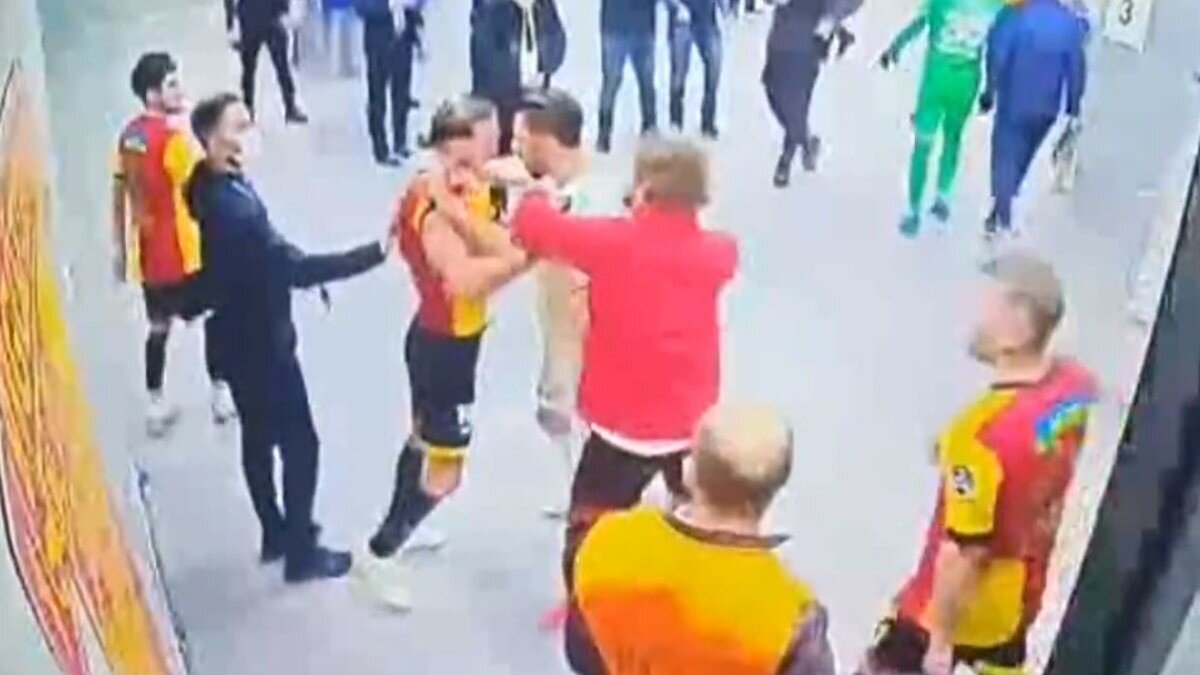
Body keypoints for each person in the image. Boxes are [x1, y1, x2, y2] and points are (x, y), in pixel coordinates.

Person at [506, 137, 739, 672]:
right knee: (703, 523)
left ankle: (587, 614)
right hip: (689, 424)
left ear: (646, 188)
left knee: (587, 528)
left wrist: (539, 190)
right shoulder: (718, 253)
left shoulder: (613, 242)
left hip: (622, 427)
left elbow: (533, 227)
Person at [856, 253, 1096, 675]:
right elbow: (1035, 436)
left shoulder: (978, 439)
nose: (974, 318)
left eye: (987, 306)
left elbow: (966, 551)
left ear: (1018, 329)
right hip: (1012, 601)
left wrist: (940, 642)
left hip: (950, 615)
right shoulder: (1072, 389)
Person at [184, 92, 389, 583]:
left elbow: (269, 251)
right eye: (240, 125)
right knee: (301, 444)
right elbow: (290, 266)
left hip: (235, 336)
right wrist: (373, 254)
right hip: (262, 345)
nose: (251, 131)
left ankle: (274, 530)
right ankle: (301, 551)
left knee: (257, 438)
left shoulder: (214, 186)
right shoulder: (232, 210)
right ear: (213, 139)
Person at [354, 96, 528, 610]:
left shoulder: (462, 181)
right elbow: (464, 281)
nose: (498, 143)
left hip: (445, 338)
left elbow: (505, 185)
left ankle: (402, 523)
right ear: (457, 142)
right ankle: (380, 552)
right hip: (445, 347)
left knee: (421, 438)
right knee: (447, 473)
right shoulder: (434, 211)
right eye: (488, 135)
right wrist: (528, 256)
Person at [574, 403, 836, 675]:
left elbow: (581, 652)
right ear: (775, 491)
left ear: (689, 471)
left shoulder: (609, 543)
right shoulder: (791, 615)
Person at [510, 88, 621, 518]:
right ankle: (583, 491)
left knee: (576, 417)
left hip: (585, 334)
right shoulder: (553, 190)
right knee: (556, 413)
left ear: (546, 141)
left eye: (521, 139)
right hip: (560, 328)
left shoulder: (593, 200)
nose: (515, 147)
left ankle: (595, 505)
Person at [112, 53, 236, 437]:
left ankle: (155, 403)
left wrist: (120, 248)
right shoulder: (175, 143)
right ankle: (220, 394)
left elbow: (119, 192)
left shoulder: (129, 137)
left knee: (158, 328)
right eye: (171, 84)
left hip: (149, 257)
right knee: (215, 317)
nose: (179, 89)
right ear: (152, 94)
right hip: (185, 255)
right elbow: (205, 187)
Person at [880, 0, 1008, 237]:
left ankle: (913, 212)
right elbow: (1002, 41)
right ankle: (942, 197)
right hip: (966, 83)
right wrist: (993, 87)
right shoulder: (995, 5)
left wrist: (894, 49)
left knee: (922, 145)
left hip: (935, 81)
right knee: (953, 138)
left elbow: (918, 24)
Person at [981, 0, 1087, 238]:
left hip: (1014, 101)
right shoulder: (1069, 24)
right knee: (1022, 158)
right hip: (1046, 109)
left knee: (1004, 157)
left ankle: (1002, 217)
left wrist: (990, 89)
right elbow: (1076, 70)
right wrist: (1073, 108)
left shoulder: (1017, 14)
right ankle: (1000, 209)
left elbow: (997, 52)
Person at [763, 0, 862, 187]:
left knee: (797, 104)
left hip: (809, 42)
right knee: (772, 91)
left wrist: (831, 18)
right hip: (780, 37)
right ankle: (807, 142)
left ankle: (785, 161)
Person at [471, 0, 567, 155]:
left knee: (532, 149)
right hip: (503, 97)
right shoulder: (493, 10)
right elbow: (485, 56)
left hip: (536, 90)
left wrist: (546, 65)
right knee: (503, 147)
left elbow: (557, 38)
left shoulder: (545, 6)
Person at [356, 0, 427, 165]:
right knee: (377, 94)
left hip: (404, 37)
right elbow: (361, 7)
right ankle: (380, 149)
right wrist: (390, 5)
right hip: (378, 39)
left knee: (402, 91)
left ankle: (400, 141)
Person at [596, 0, 661, 153]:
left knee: (646, 82)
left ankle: (649, 127)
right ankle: (604, 134)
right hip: (616, 29)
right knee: (612, 82)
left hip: (641, 28)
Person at [237, 0, 309, 123]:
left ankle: (288, 106)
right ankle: (250, 108)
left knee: (278, 67)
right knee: (252, 68)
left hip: (263, 17)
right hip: (261, 16)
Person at [665, 0, 723, 138]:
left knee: (714, 70)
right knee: (678, 75)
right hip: (682, 21)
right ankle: (676, 121)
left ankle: (708, 121)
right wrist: (677, 6)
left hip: (707, 20)